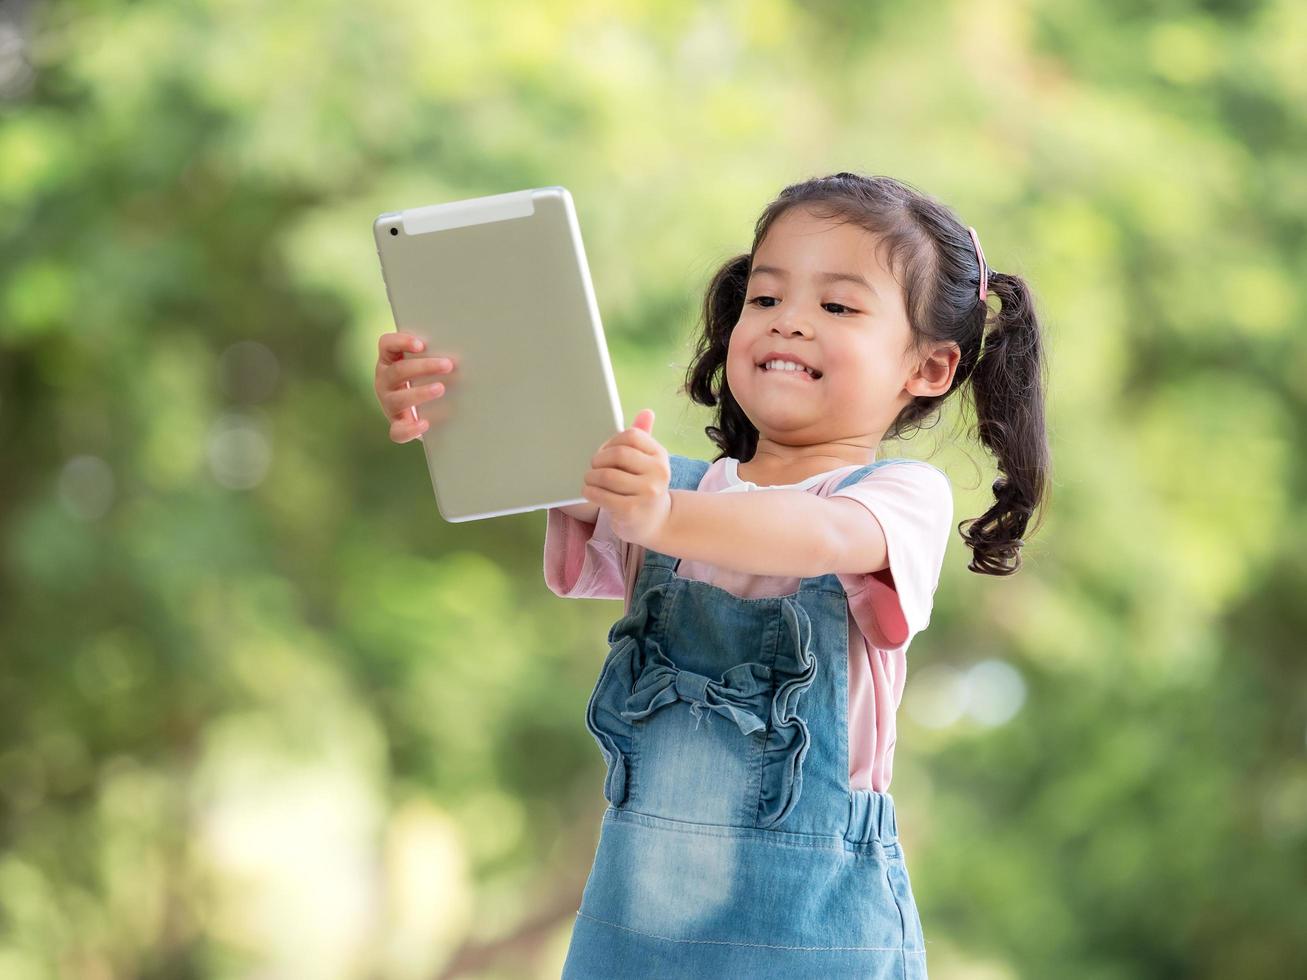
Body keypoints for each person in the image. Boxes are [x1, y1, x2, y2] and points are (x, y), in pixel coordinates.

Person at [374, 171, 1050, 978]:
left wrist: (660, 516)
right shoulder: (669, 492)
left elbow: (811, 533)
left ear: (929, 368)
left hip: (813, 933)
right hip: (632, 928)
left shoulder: (895, 497)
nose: (790, 322)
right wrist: (448, 399)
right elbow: (533, 458)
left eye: (836, 306)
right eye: (764, 300)